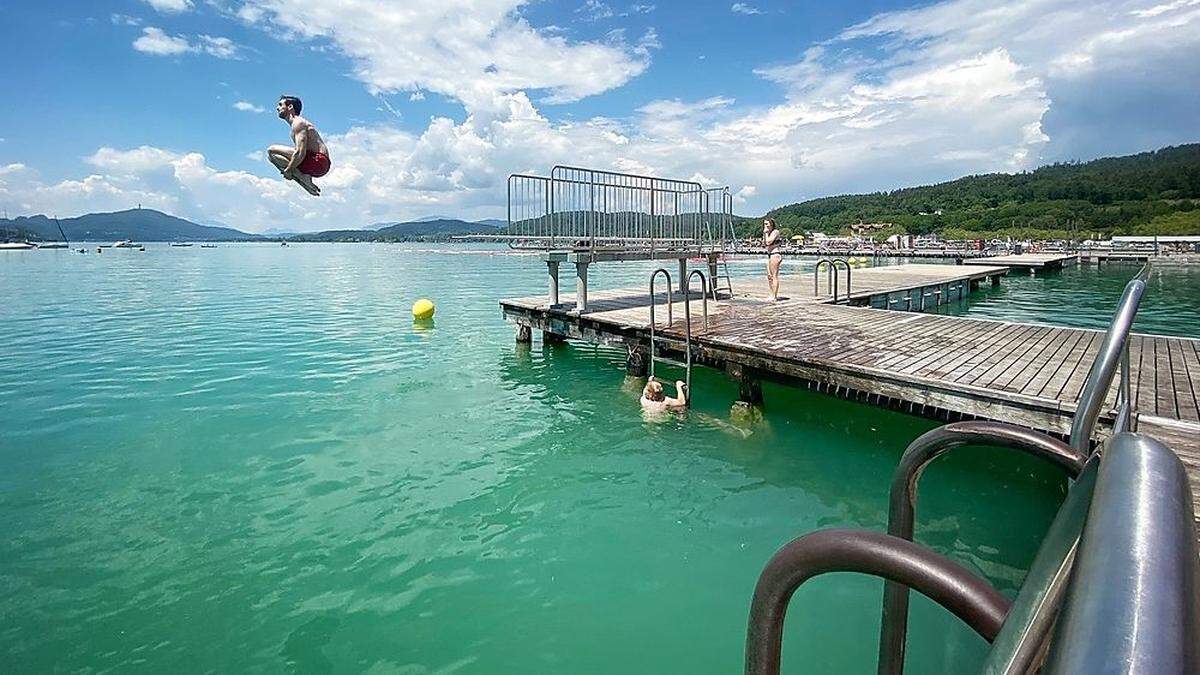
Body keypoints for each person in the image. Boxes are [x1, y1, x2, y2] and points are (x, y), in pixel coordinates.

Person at [267, 95, 330, 197]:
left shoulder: (298, 123)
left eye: (280, 105)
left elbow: (300, 152)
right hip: (316, 164)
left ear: (290, 107)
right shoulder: (296, 125)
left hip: (319, 162)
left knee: (271, 150)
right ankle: (306, 179)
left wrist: (288, 170)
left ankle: (302, 176)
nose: (277, 108)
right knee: (272, 157)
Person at [763, 218, 782, 301]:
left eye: (767, 224)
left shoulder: (775, 232)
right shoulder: (768, 233)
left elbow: (768, 242)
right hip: (770, 255)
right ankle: (771, 294)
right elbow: (765, 244)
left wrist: (766, 233)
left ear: (771, 224)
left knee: (774, 276)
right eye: (764, 224)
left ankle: (774, 296)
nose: (765, 226)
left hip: (775, 254)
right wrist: (765, 234)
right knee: (769, 276)